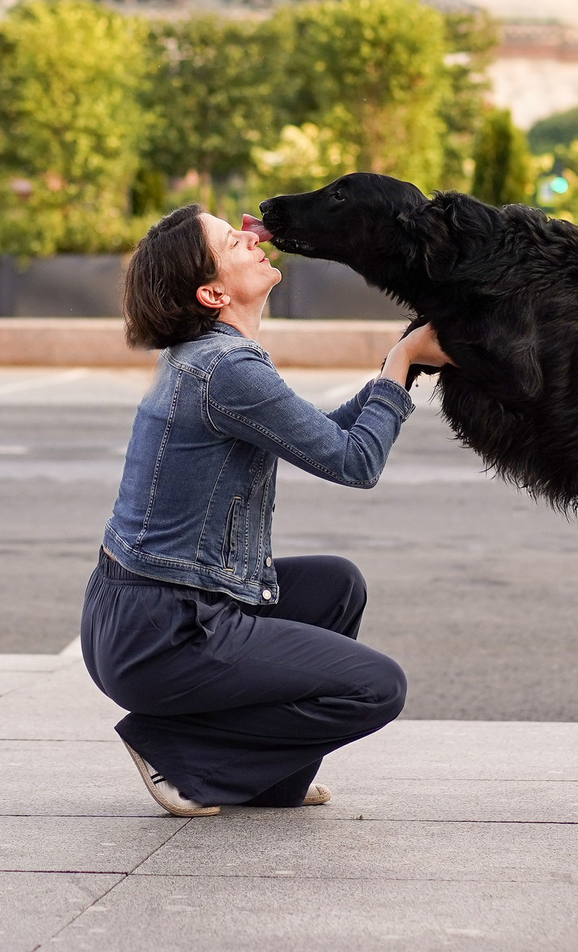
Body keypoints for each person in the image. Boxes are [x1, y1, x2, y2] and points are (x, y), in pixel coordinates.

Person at [82, 203, 448, 817]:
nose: (253, 237)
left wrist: (398, 370)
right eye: (233, 241)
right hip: (163, 633)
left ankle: (266, 779)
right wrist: (401, 364)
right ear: (212, 291)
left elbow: (324, 437)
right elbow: (355, 463)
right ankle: (176, 751)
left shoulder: (212, 358)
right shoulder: (225, 369)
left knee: (335, 585)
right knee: (378, 687)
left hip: (144, 615)